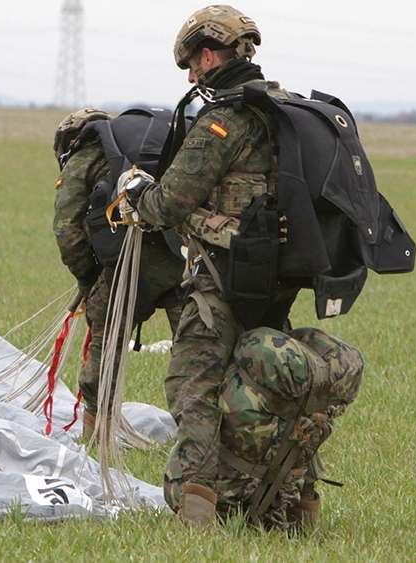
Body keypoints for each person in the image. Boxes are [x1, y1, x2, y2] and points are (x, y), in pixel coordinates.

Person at [120, 5, 301, 524]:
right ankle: (294, 506)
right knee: (269, 387)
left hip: (221, 279)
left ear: (205, 55)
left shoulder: (224, 120)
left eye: (191, 66)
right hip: (274, 281)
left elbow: (168, 203)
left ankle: (194, 508)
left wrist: (137, 194)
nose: (192, 77)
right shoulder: (281, 113)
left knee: (194, 386)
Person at [52, 108, 184, 441]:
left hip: (133, 259)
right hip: (183, 254)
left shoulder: (86, 154)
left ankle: (97, 430)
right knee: (195, 349)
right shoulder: (147, 144)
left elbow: (67, 229)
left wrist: (87, 279)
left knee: (106, 339)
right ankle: (201, 436)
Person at [163, 325, 363, 531]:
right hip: (270, 306)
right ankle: (298, 514)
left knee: (198, 393)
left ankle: (197, 519)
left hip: (218, 313)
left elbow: (197, 408)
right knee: (304, 412)